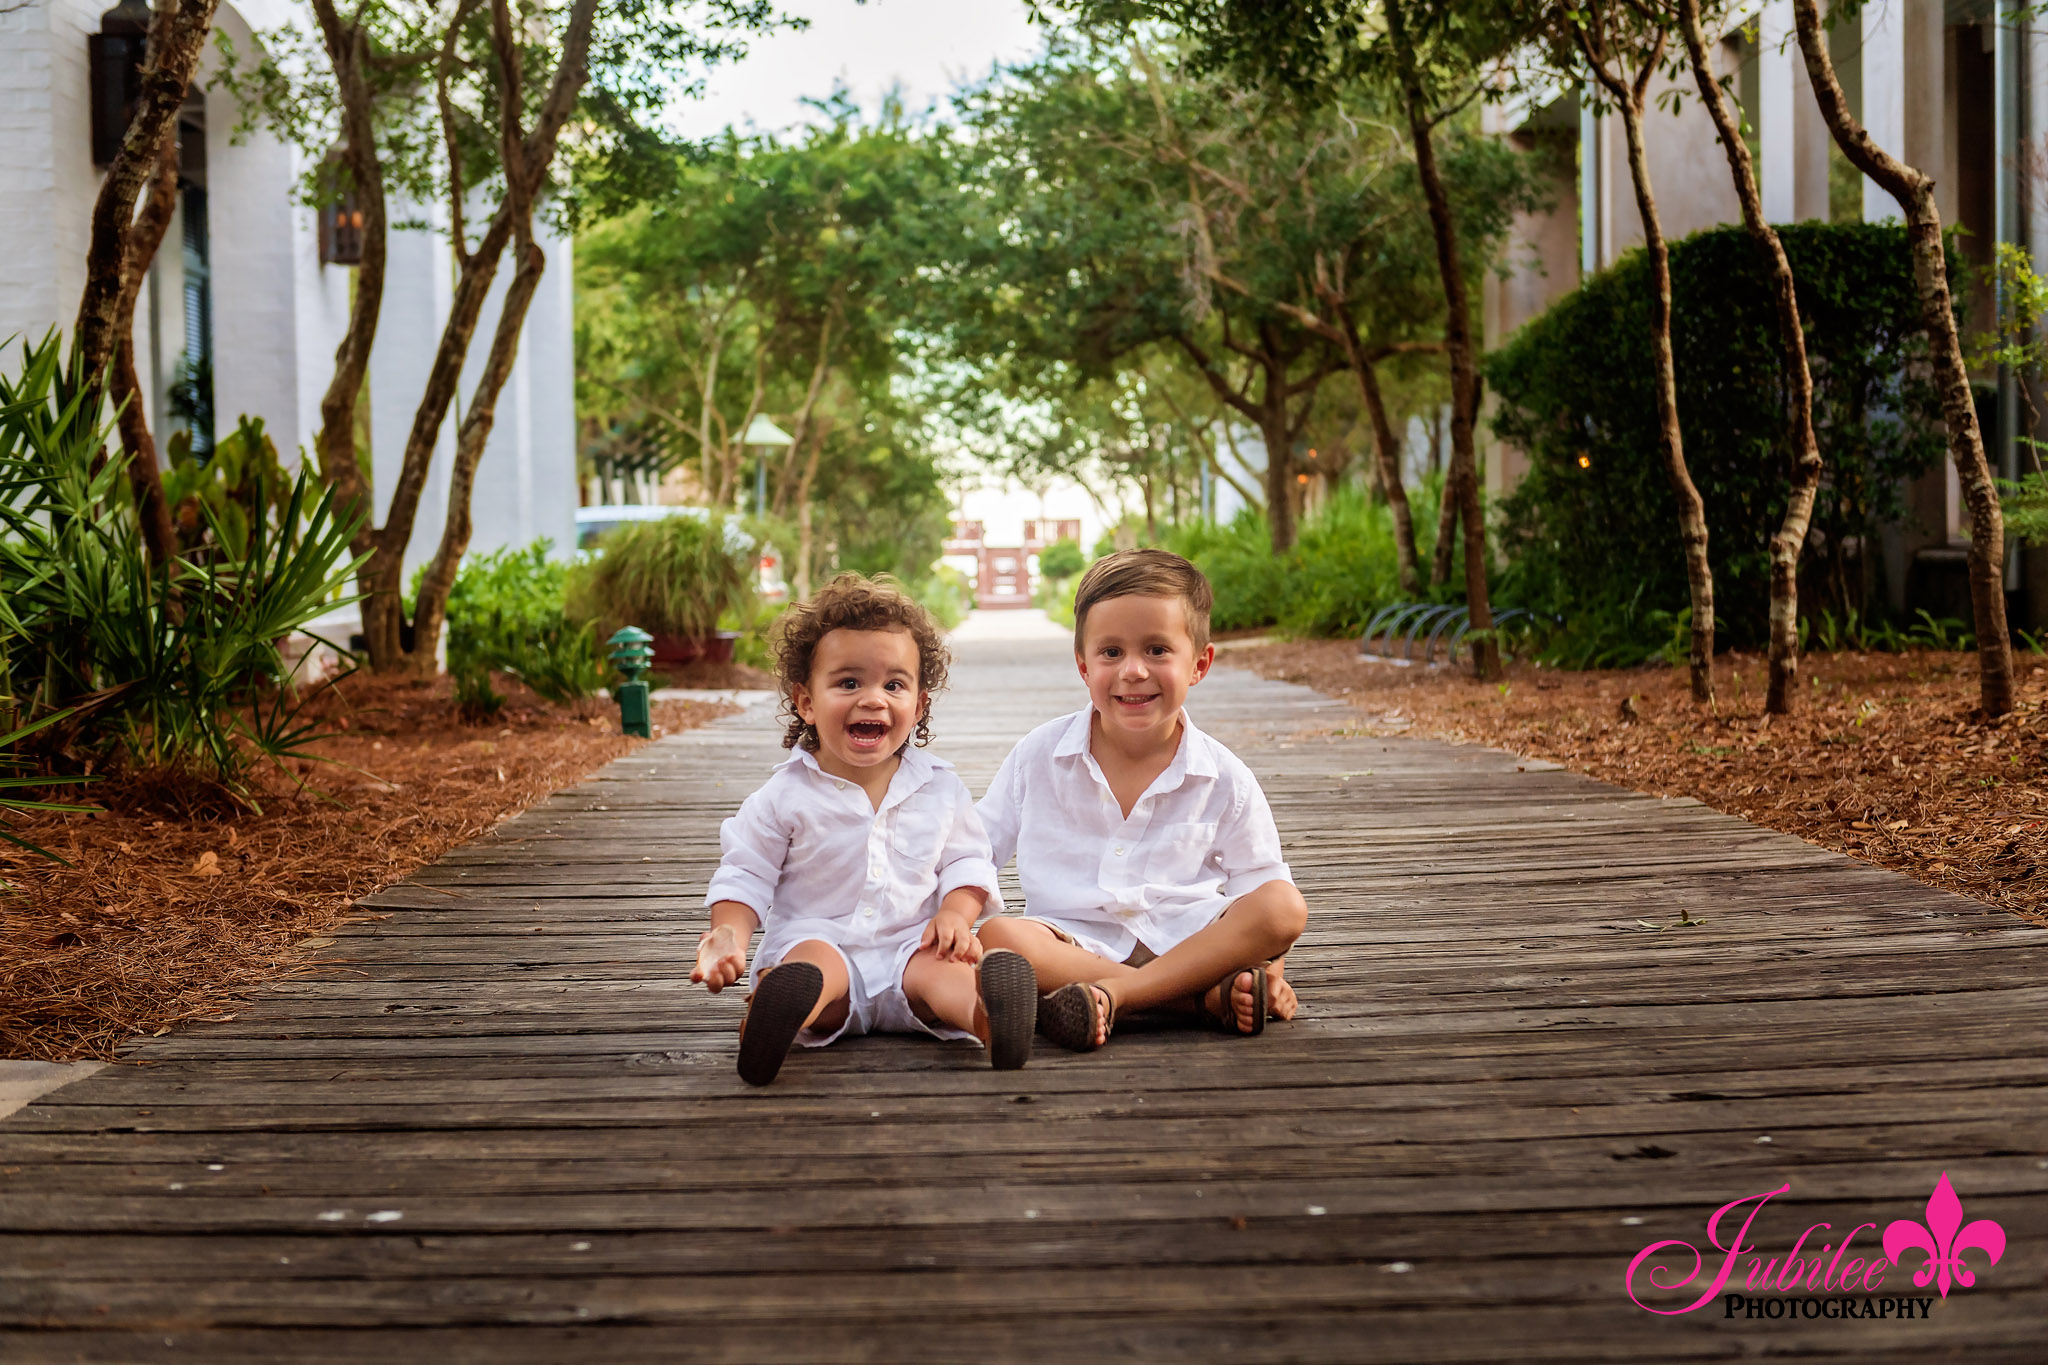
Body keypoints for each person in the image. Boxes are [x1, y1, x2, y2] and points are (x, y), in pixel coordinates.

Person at [691, 574, 1038, 1085]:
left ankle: (991, 1019)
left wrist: (955, 915)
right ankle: (771, 1019)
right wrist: (728, 934)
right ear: (806, 701)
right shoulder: (784, 796)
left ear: (919, 705)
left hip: (911, 947)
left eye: (893, 685)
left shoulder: (940, 789)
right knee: (809, 969)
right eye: (848, 683)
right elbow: (746, 873)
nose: (873, 699)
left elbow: (968, 861)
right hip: (822, 942)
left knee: (947, 974)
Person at [977, 549, 1306, 1050]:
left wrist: (1271, 967)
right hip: (1073, 942)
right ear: (1083, 666)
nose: (1133, 670)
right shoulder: (1037, 757)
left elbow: (1260, 888)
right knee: (1000, 937)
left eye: (1156, 650)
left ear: (1199, 664)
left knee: (1282, 906)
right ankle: (1194, 1001)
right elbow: (976, 852)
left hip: (1189, 941)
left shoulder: (1222, 776)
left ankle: (1115, 997)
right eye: (1111, 653)